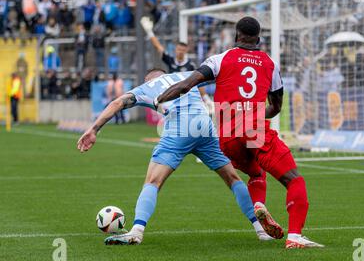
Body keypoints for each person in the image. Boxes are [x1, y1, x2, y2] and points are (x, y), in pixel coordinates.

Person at [156, 17, 324, 249]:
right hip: (255, 130)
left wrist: (159, 98)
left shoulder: (219, 59)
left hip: (228, 138)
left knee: (256, 173)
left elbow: (186, 85)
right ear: (259, 38)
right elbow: (276, 107)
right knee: (294, 180)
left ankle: (258, 206)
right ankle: (295, 236)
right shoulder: (270, 64)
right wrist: (252, 113)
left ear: (236, 36)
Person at [77, 69, 282, 245]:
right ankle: (261, 231)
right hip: (204, 126)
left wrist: (94, 129)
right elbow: (224, 78)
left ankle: (136, 231)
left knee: (153, 181)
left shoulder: (146, 88)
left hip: (180, 127)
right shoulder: (186, 75)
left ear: (149, 79)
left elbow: (117, 103)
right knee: (233, 178)